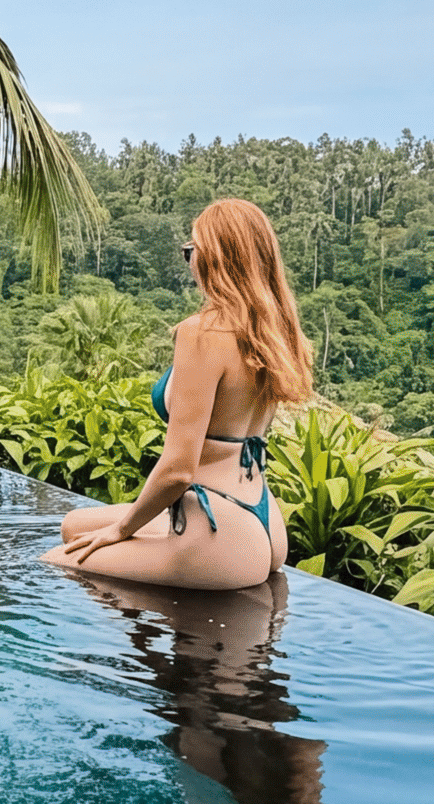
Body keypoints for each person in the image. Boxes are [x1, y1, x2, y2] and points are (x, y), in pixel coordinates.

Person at [47, 197, 313, 590]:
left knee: (56, 561)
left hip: (217, 528)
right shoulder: (272, 333)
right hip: (263, 521)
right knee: (74, 526)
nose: (188, 260)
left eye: (190, 250)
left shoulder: (203, 333)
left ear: (214, 258)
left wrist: (122, 530)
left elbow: (178, 470)